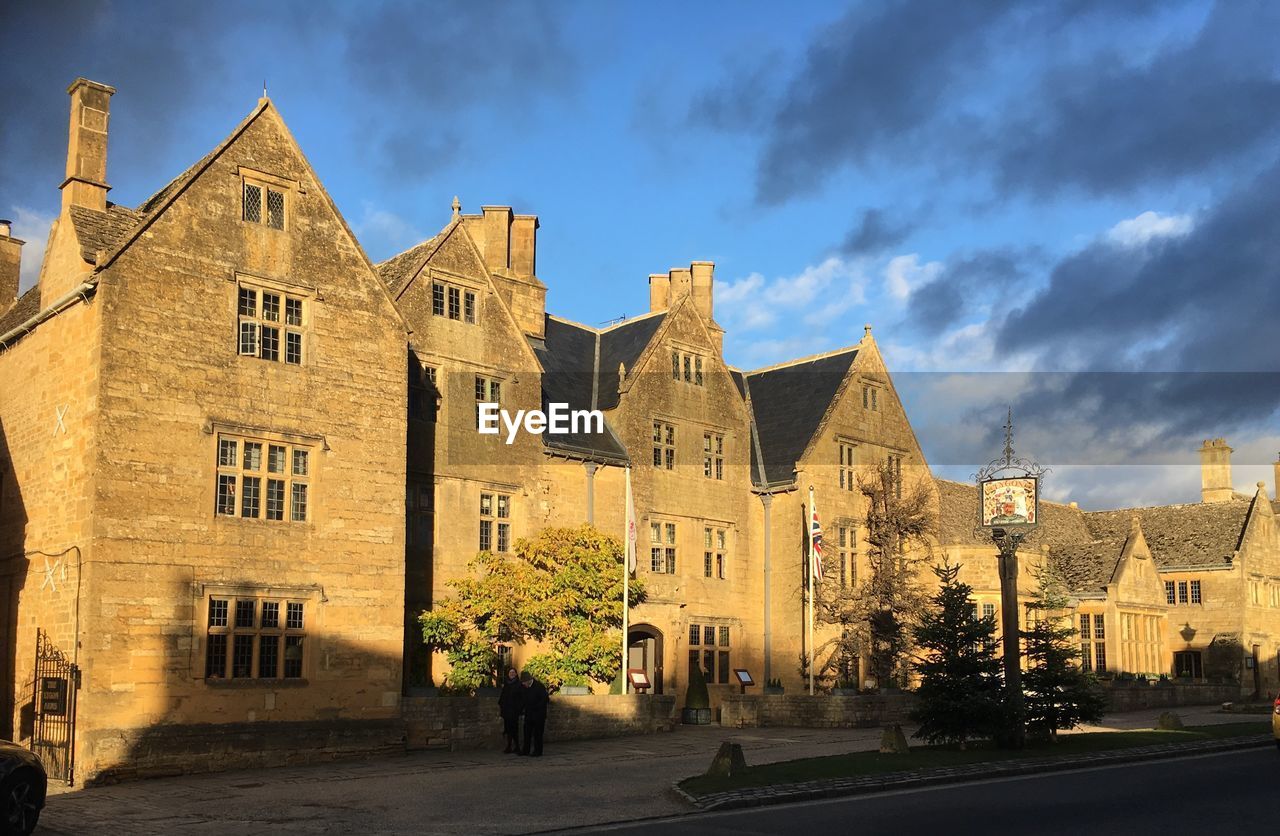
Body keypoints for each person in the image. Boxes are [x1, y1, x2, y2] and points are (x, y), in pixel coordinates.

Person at [519, 671, 549, 756]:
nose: (523, 684)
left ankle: (538, 751)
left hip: (539, 715)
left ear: (529, 680)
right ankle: (526, 750)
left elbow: (545, 700)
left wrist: (536, 707)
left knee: (538, 734)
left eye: (524, 682)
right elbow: (523, 700)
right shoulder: (524, 688)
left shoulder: (539, 686)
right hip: (529, 714)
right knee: (527, 733)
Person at [498, 667, 524, 754]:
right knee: (508, 729)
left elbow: (521, 698)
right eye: (510, 673)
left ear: (516, 674)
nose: (512, 674)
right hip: (507, 710)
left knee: (514, 728)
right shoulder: (506, 684)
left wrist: (519, 708)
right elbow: (502, 697)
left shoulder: (519, 684)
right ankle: (509, 746)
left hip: (514, 710)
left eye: (513, 672)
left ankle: (516, 746)